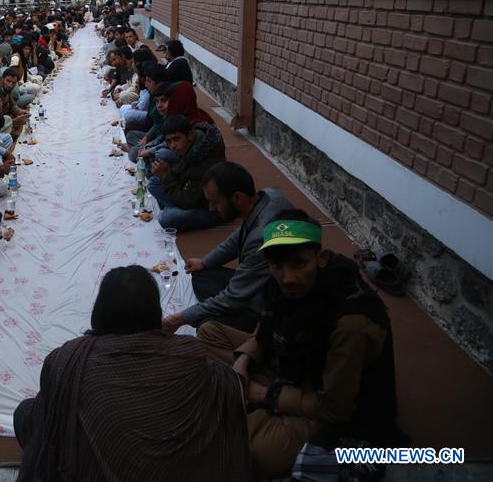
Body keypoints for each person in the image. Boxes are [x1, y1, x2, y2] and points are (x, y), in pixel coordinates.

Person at [197, 210, 404, 480]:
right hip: (289, 365)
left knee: (255, 453)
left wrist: (265, 395)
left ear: (321, 259)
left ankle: (249, 410)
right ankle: (245, 402)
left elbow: (335, 408)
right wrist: (243, 360)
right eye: (278, 266)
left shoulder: (351, 325)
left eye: (299, 264)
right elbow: (266, 329)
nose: (288, 278)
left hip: (321, 396)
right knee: (208, 332)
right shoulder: (280, 286)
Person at [13, 266, 250, 482]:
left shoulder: (67, 357)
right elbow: (230, 386)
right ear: (155, 311)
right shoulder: (189, 352)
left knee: (27, 412)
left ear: (100, 311)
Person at [162, 162, 294, 334]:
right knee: (201, 275)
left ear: (237, 198)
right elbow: (239, 236)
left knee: (205, 324)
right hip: (257, 282)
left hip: (270, 304)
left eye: (215, 203)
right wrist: (205, 262)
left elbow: (234, 298)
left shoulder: (261, 237)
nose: (211, 209)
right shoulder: (268, 195)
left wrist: (180, 319)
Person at [148, 115, 225, 231]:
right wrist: (167, 172)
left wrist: (166, 176)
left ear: (189, 135)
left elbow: (188, 201)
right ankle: (172, 208)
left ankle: (172, 210)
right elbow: (181, 172)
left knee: (166, 218)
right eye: (169, 141)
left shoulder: (204, 156)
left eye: (176, 139)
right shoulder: (190, 146)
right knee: (153, 182)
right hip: (190, 194)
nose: (173, 146)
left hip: (210, 209)